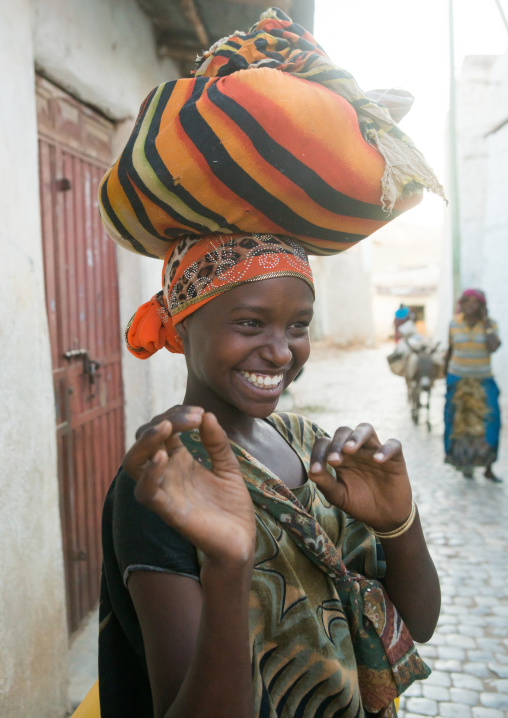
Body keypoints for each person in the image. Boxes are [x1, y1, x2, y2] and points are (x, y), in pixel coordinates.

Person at [97, 8, 444, 717]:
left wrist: (399, 524)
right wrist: (228, 563)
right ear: (183, 322)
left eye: (299, 326)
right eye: (250, 323)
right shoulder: (166, 484)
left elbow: (413, 625)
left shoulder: (309, 451)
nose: (280, 351)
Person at [444, 288, 502, 482]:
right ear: (462, 303)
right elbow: (450, 350)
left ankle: (488, 466)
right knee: (457, 422)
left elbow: (494, 346)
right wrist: (445, 377)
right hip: (457, 379)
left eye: (475, 302)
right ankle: (464, 463)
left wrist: (485, 323)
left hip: (483, 380)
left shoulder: (491, 325)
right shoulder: (453, 324)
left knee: (491, 420)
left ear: (481, 306)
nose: (470, 305)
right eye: (467, 301)